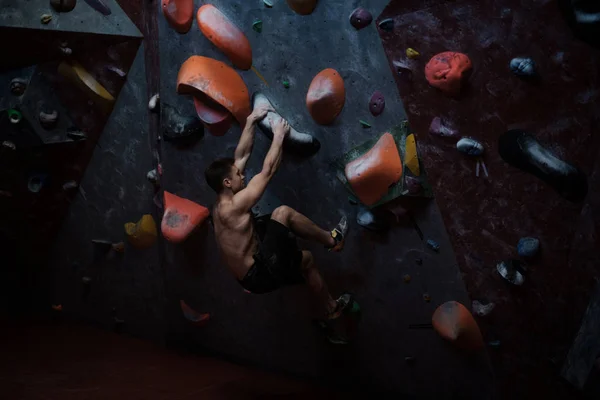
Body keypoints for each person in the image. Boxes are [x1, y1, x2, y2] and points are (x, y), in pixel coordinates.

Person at [205, 104, 350, 320]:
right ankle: (332, 241)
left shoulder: (221, 201)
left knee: (300, 255)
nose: (242, 175)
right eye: (238, 175)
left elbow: (241, 155)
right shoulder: (233, 207)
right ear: (227, 182)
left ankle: (330, 308)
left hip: (248, 270)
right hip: (258, 273)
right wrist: (279, 136)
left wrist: (252, 120)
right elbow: (268, 171)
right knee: (283, 215)